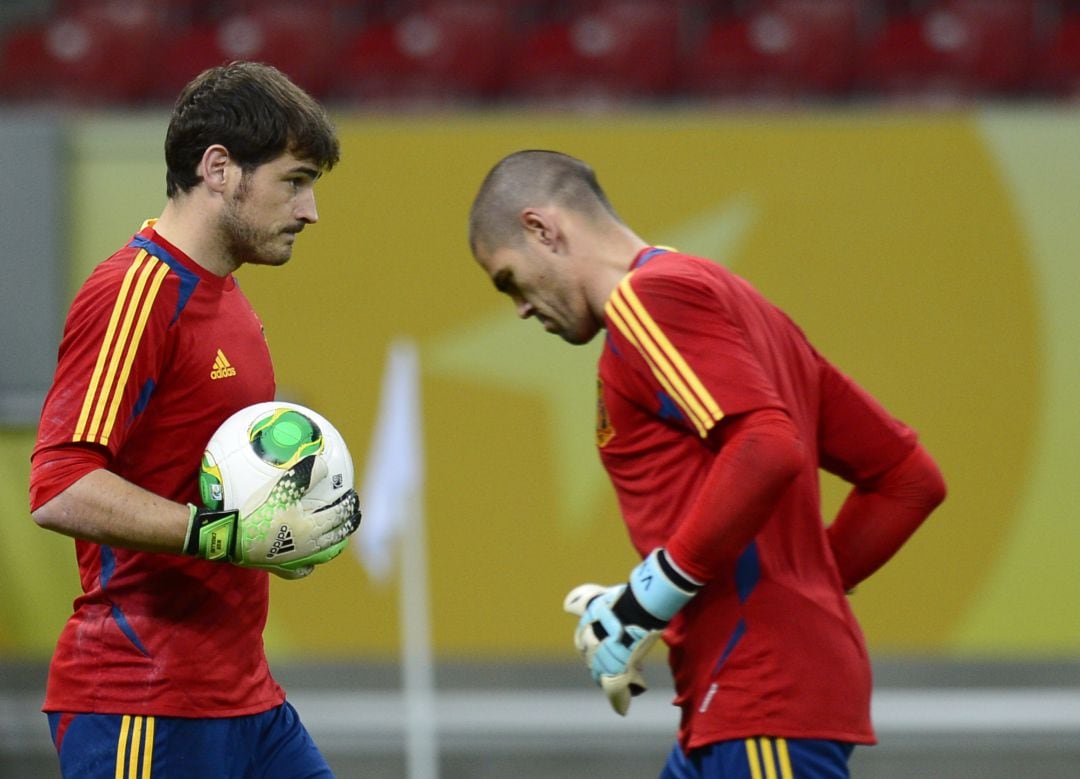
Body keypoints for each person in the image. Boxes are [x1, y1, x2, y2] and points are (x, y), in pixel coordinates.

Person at [468, 150, 946, 779]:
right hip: (739, 700)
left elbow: (768, 444)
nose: (521, 308)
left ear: (542, 229)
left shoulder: (647, 301)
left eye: (507, 280)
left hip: (760, 700)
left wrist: (649, 599)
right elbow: (908, 478)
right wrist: (802, 592)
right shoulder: (741, 304)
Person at [29, 62, 361, 778]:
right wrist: (225, 534)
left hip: (244, 699)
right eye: (294, 180)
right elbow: (58, 486)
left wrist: (291, 515)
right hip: (142, 701)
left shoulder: (228, 297)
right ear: (219, 168)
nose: (310, 211)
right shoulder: (136, 292)